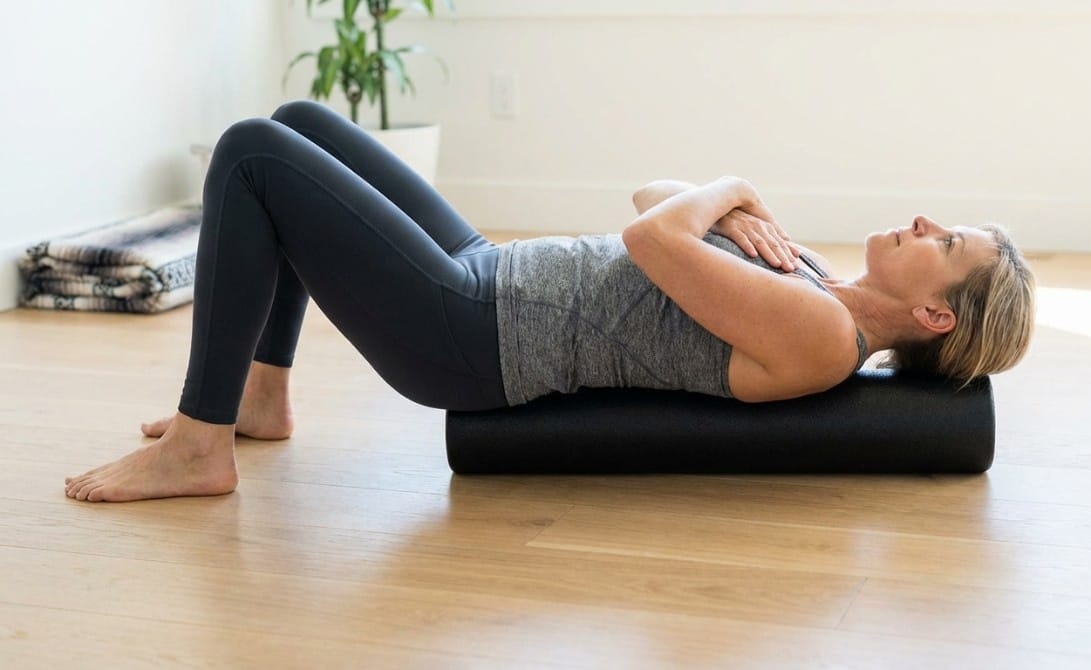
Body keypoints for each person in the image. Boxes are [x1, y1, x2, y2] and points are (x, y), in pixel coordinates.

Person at [64, 100, 1035, 503]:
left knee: (249, 154)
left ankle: (200, 445)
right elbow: (656, 199)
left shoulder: (824, 331)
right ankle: (261, 395)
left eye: (944, 242)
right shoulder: (815, 280)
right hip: (492, 274)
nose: (922, 221)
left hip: (474, 333)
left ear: (937, 317)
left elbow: (653, 240)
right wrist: (723, 202)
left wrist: (731, 187)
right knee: (297, 123)